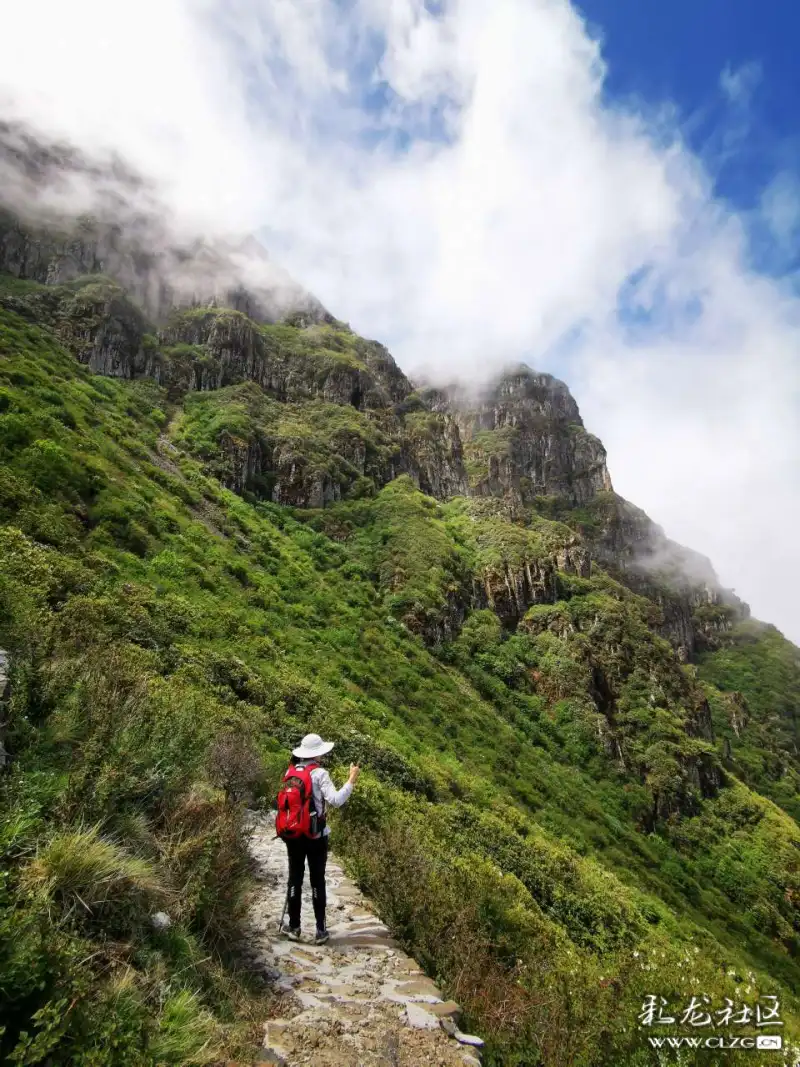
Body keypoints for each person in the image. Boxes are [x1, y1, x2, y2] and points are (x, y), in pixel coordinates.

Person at [281, 733, 360, 944]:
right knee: (317, 880)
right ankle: (320, 930)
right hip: (316, 835)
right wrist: (351, 779)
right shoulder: (319, 773)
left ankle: (294, 926)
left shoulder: (291, 771)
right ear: (318, 754)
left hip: (293, 834)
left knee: (295, 877)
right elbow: (336, 800)